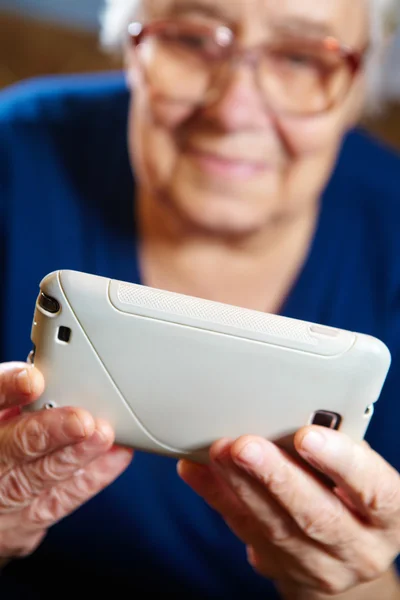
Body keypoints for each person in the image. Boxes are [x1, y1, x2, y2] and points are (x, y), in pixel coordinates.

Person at [0, 0, 400, 597]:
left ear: (355, 84)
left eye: (299, 56)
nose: (234, 108)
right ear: (133, 50)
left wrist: (344, 587)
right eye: (191, 40)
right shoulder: (14, 157)